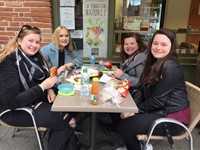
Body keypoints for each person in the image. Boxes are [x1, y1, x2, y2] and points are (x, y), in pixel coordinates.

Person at [0, 25, 77, 150]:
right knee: (69, 122)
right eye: (30, 41)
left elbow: (45, 76)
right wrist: (42, 87)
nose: (34, 45)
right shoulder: (9, 63)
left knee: (72, 105)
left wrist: (49, 89)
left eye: (37, 42)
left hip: (36, 99)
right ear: (19, 41)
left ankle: (56, 134)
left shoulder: (35, 57)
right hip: (16, 111)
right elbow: (12, 102)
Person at [116, 29, 190, 150]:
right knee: (119, 116)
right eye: (155, 43)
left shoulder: (170, 66)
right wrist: (132, 109)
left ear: (172, 47)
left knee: (124, 126)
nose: (158, 47)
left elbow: (158, 101)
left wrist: (135, 110)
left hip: (172, 118)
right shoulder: (154, 62)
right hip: (162, 110)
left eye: (164, 44)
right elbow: (143, 89)